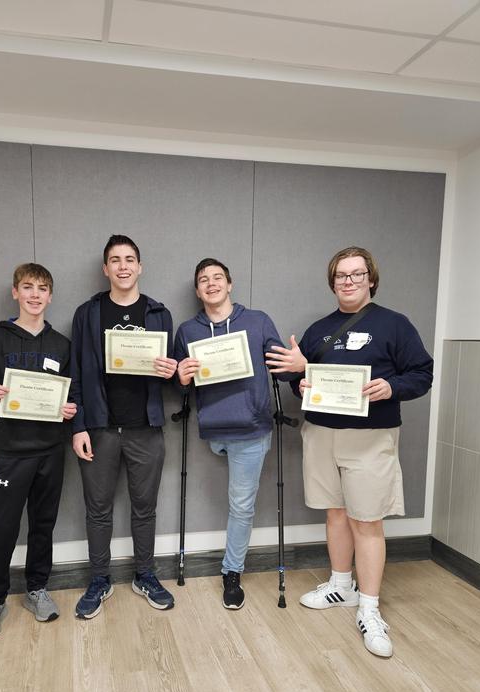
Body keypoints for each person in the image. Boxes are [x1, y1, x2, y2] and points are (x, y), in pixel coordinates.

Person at [293, 246, 433, 657]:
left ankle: (370, 609)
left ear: (371, 278)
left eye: (356, 274)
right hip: (321, 434)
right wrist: (298, 384)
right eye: (340, 275)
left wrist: (392, 388)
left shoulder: (395, 325)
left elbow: (421, 373)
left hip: (371, 437)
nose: (348, 281)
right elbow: (301, 377)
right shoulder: (318, 329)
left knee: (367, 521)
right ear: (332, 281)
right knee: (334, 512)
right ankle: (341, 586)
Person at [175, 258, 306, 609]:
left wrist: (299, 368)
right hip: (212, 428)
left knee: (241, 505)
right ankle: (231, 568)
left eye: (218, 277)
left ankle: (231, 572)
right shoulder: (187, 331)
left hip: (250, 429)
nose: (211, 283)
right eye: (204, 279)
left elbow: (282, 370)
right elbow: (178, 379)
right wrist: (181, 376)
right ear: (198, 290)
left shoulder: (257, 321)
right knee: (238, 503)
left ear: (229, 284)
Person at [0, 263, 77, 636]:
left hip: (50, 451)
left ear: (50, 295)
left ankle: (37, 589)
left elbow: (72, 394)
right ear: (16, 292)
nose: (35, 294)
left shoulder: (61, 345)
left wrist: (68, 409)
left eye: (42, 288)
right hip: (10, 451)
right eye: (28, 287)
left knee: (43, 524)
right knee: (3, 526)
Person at [70, 234, 178, 619]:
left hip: (145, 429)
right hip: (99, 429)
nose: (123, 266)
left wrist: (173, 371)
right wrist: (78, 426)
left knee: (144, 508)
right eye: (115, 260)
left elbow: (174, 372)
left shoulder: (158, 313)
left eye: (129, 259)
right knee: (97, 509)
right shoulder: (87, 313)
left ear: (140, 266)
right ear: (105, 269)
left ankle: (144, 574)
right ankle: (99, 580)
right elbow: (76, 373)